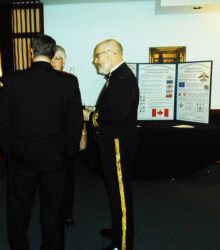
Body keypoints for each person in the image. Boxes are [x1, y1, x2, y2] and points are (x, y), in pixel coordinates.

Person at [0, 34, 83, 250]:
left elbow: (2, 121)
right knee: (53, 209)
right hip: (56, 158)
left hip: (22, 156)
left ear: (30, 51)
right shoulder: (68, 82)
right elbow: (75, 122)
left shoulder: (13, 79)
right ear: (53, 54)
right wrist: (69, 153)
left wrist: (10, 151)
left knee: (18, 207)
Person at [83, 39, 139, 250]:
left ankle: (123, 243)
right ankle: (119, 229)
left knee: (120, 195)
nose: (95, 60)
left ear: (111, 53)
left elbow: (114, 114)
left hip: (117, 145)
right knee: (115, 193)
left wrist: (90, 115)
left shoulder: (122, 79)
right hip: (113, 143)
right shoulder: (117, 76)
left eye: (97, 55)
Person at [51, 45, 86, 228]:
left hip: (66, 141)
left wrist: (81, 134)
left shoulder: (70, 80)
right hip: (47, 142)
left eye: (63, 58)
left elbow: (76, 113)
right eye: (57, 58)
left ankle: (67, 213)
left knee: (68, 180)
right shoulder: (41, 82)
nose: (61, 62)